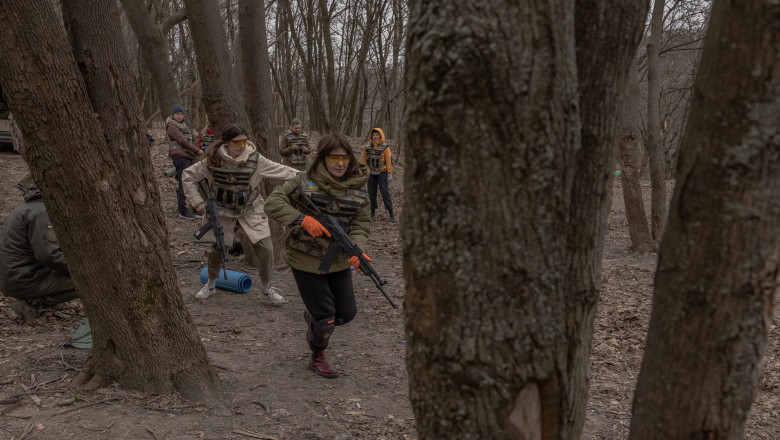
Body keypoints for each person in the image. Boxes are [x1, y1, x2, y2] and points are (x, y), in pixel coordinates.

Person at [265, 133, 371, 378]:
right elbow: (272, 202)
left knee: (347, 313)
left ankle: (313, 317)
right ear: (322, 158)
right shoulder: (303, 181)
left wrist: (357, 249)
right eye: (333, 157)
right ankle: (317, 355)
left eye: (344, 158)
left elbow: (361, 224)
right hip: (305, 257)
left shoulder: (358, 189)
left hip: (338, 260)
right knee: (326, 318)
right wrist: (302, 220)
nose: (339, 163)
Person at [183, 123, 298, 304]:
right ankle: (211, 284)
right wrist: (197, 202)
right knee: (217, 250)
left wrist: (307, 177)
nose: (242, 145)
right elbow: (188, 176)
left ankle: (267, 287)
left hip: (250, 209)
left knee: (267, 249)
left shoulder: (255, 159)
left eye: (244, 141)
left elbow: (282, 170)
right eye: (237, 142)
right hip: (221, 211)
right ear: (227, 143)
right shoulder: (213, 159)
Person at [0, 174, 78, 323]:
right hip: (23, 280)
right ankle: (30, 303)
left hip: (14, 276)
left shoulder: (28, 208)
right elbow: (49, 256)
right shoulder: (41, 212)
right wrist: (80, 269)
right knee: (85, 282)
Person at [166, 104, 203, 220]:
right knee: (183, 183)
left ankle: (193, 208)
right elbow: (182, 141)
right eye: (177, 114)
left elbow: (190, 139)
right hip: (180, 157)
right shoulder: (172, 126)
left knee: (190, 181)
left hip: (187, 156)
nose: (179, 116)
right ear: (173, 115)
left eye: (181, 114)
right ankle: (182, 210)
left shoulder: (183, 125)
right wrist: (196, 150)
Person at [361, 127, 395, 222]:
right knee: (371, 194)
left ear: (380, 136)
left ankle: (391, 214)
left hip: (382, 172)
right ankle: (372, 213)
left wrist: (389, 172)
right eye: (374, 135)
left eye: (377, 135)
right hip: (371, 173)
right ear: (371, 136)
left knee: (385, 193)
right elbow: (363, 159)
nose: (375, 136)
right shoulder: (367, 146)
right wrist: (362, 170)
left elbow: (388, 159)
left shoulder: (385, 146)